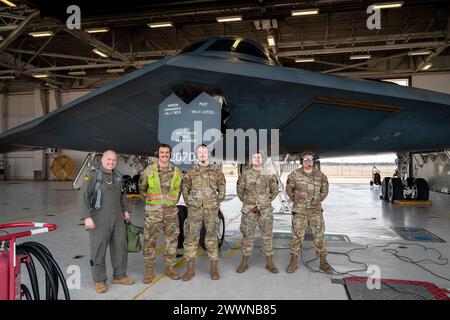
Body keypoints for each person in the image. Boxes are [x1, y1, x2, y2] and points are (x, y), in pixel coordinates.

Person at [80, 150, 135, 294]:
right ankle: (99, 280)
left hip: (117, 217)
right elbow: (83, 196)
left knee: (120, 246)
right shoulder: (92, 176)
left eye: (114, 160)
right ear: (102, 159)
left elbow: (123, 195)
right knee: (98, 249)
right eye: (108, 159)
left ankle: (119, 275)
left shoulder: (118, 176)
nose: (111, 162)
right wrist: (86, 216)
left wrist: (126, 210)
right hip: (99, 217)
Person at [139, 143, 183, 284]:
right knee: (149, 241)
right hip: (153, 214)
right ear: (158, 154)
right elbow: (142, 189)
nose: (164, 155)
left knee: (172, 241)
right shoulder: (149, 171)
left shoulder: (177, 171)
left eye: (167, 152)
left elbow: (179, 190)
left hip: (171, 213)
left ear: (170, 154)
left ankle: (170, 268)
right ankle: (149, 270)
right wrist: (153, 205)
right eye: (162, 152)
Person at [181, 144, 226, 281]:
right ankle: (190, 269)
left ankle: (213, 268)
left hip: (211, 211)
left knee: (212, 238)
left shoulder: (216, 171)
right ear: (196, 154)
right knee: (191, 238)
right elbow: (185, 189)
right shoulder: (190, 172)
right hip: (194, 211)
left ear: (208, 154)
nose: (202, 154)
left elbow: (222, 191)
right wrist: (190, 202)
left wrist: (214, 203)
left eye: (204, 152)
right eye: (199, 152)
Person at [285, 151, 333, 274]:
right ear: (302, 162)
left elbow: (325, 190)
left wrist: (318, 199)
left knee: (319, 236)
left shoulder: (320, 175)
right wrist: (297, 199)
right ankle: (293, 261)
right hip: (299, 211)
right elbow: (289, 189)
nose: (308, 162)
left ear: (313, 162)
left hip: (315, 211)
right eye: (305, 159)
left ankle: (323, 262)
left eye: (310, 160)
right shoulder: (294, 175)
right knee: (296, 236)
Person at [236, 151, 279, 273]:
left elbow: (274, 191)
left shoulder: (269, 174)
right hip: (249, 211)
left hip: (265, 211)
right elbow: (240, 191)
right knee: (247, 236)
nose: (257, 159)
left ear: (263, 159)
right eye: (254, 157)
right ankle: (244, 263)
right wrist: (249, 203)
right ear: (251, 159)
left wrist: (264, 202)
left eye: (259, 157)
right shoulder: (245, 174)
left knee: (267, 236)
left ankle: (269, 263)